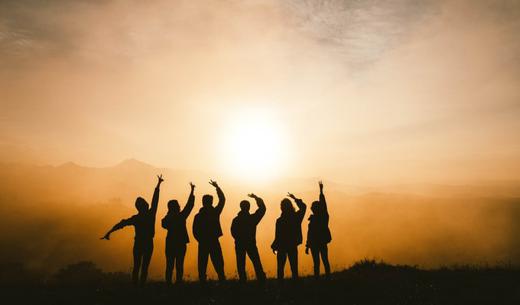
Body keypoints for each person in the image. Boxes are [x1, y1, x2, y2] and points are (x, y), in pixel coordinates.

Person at [101, 174, 164, 286]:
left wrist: (109, 232)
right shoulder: (150, 214)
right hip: (148, 243)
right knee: (144, 267)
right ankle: (141, 287)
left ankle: (135, 286)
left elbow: (121, 224)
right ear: (145, 205)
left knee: (137, 266)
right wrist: (158, 185)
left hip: (139, 243)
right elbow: (155, 200)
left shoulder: (136, 218)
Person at [161, 182, 195, 285]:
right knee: (179, 264)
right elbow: (189, 205)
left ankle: (168, 283)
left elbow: (163, 224)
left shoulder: (167, 218)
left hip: (170, 243)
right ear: (177, 207)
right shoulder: (181, 216)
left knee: (169, 265)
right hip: (180, 243)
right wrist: (192, 191)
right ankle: (178, 282)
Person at [192, 180, 226, 282]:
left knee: (202, 265)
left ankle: (203, 283)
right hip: (213, 241)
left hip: (203, 242)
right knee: (218, 264)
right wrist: (217, 187)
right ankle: (222, 281)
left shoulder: (199, 216)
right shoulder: (215, 212)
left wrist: (200, 239)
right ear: (210, 202)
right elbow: (222, 200)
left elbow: (195, 231)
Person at [231, 193, 266, 282]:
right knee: (256, 263)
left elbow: (233, 232)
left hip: (239, 244)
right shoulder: (252, 219)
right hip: (251, 244)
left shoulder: (236, 220)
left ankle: (243, 282)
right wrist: (256, 198)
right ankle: (261, 280)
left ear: (241, 207)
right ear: (248, 207)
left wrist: (239, 239)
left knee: (241, 264)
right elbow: (262, 209)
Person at [271, 192, 306, 281]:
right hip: (292, 245)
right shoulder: (296, 217)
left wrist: (275, 246)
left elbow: (278, 235)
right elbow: (303, 207)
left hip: (282, 246)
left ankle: (280, 286)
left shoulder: (279, 220)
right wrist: (295, 199)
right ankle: (295, 286)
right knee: (294, 268)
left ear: (281, 208)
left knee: (280, 268)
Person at [305, 181, 331, 278]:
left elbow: (323, 204)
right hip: (319, 242)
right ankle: (326, 278)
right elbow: (309, 234)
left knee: (319, 262)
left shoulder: (322, 216)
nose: (311, 208)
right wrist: (307, 246)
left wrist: (321, 191)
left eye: (312, 207)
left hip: (316, 243)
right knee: (323, 261)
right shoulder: (322, 217)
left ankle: (318, 279)